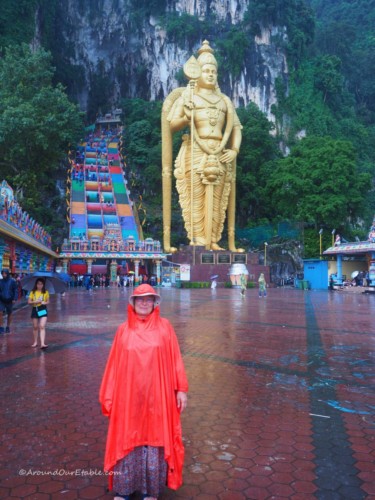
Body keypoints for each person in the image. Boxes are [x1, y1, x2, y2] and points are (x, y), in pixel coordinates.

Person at [99, 284, 188, 500]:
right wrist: (108, 394)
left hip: (158, 396)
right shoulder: (123, 330)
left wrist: (181, 389)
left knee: (154, 438)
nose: (144, 303)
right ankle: (124, 489)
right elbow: (113, 364)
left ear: (155, 303)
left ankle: (151, 490)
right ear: (133, 303)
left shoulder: (165, 327)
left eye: (149, 299)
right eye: (140, 299)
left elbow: (175, 359)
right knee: (127, 436)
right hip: (128, 396)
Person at [162, 40, 243, 252]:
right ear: (197, 72)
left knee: (218, 200)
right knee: (195, 198)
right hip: (196, 151)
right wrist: (186, 114)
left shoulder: (225, 101)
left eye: (213, 71)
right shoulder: (189, 96)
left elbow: (236, 128)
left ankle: (214, 239)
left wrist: (233, 150)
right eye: (206, 70)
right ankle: (198, 239)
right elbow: (171, 124)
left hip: (220, 152)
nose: (210, 74)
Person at [28, 278, 50, 349]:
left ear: (43, 285)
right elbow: (29, 302)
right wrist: (35, 301)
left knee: (42, 326)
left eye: (41, 284)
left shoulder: (45, 292)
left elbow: (48, 301)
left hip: (42, 309)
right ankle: (35, 342)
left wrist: (44, 302)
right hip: (35, 309)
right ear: (36, 284)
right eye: (38, 284)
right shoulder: (33, 292)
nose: (39, 285)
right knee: (35, 327)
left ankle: (42, 343)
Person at [0, 269, 18, 333]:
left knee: (9, 313)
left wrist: (14, 298)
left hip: (10, 300)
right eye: (3, 274)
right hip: (1, 299)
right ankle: (1, 327)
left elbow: (15, 290)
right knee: (0, 312)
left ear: (7, 274)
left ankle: (8, 326)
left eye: (5, 273)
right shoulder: (0, 281)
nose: (4, 275)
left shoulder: (12, 281)